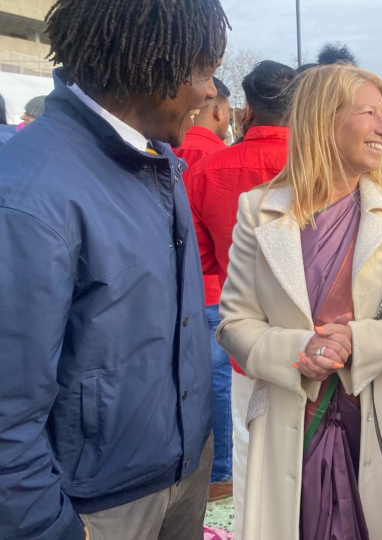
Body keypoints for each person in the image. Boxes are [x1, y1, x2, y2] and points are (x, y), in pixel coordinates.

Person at [0, 0, 228, 539]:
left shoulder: (157, 160)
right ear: (150, 63)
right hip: (96, 505)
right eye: (203, 69)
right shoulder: (30, 194)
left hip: (181, 470)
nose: (210, 91)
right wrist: (46, 528)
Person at [215, 63, 382, 540]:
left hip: (379, 415)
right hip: (291, 416)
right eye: (370, 113)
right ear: (323, 118)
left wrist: (359, 342)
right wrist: (303, 350)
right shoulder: (259, 209)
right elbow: (234, 323)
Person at [186, 59, 295, 536]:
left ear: (248, 108)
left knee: (251, 445)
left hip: (244, 335)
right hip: (319, 338)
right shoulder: (325, 165)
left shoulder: (207, 169)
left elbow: (204, 258)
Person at [170, 74, 234, 503]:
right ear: (219, 110)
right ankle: (221, 472)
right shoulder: (221, 158)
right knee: (221, 384)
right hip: (218, 288)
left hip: (178, 289)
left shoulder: (166, 151)